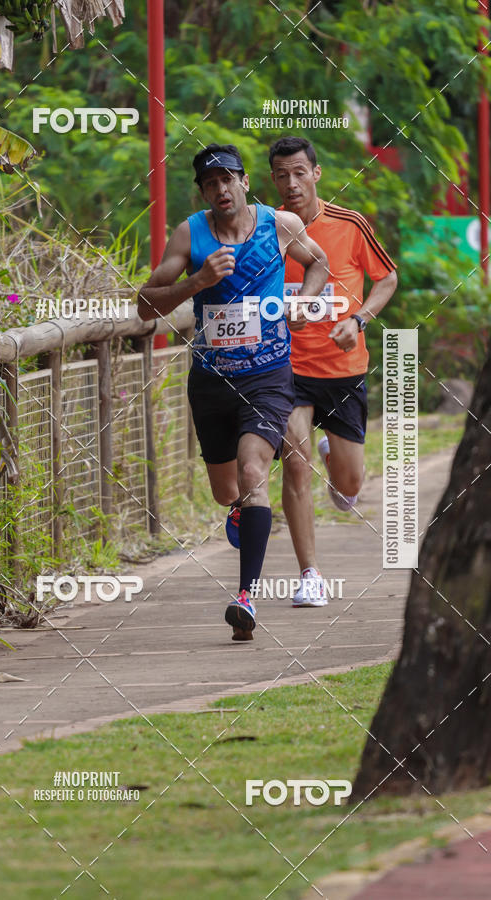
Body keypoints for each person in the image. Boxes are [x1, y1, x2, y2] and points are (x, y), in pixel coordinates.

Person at [137, 142, 328, 639]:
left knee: (252, 471)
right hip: (211, 381)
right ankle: (244, 513)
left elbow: (319, 263)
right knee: (228, 491)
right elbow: (144, 306)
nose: (221, 189)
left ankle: (246, 598)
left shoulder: (279, 225)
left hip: (268, 376)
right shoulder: (190, 233)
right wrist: (196, 281)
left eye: (229, 179)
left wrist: (302, 304)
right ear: (203, 191)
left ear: (245, 182)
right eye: (210, 183)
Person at [269, 136, 398, 608]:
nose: (291, 183)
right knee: (295, 462)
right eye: (281, 174)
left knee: (349, 486)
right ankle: (310, 575)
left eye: (300, 172)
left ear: (316, 174)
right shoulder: (264, 228)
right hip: (285, 367)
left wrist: (358, 319)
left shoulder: (349, 224)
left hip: (342, 370)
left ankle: (335, 456)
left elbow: (387, 278)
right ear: (272, 180)